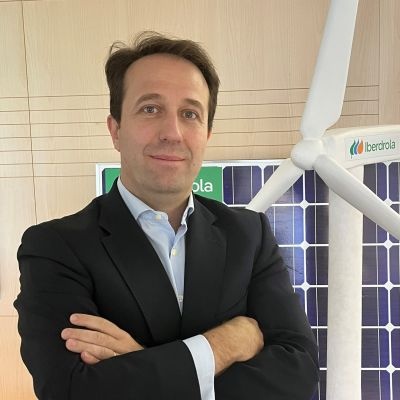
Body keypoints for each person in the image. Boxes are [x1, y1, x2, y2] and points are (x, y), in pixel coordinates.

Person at [14, 32, 319, 400]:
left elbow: (298, 372)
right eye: (150, 109)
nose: (172, 133)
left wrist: (141, 363)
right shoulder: (56, 247)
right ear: (115, 129)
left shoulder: (248, 235)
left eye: (190, 114)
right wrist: (223, 345)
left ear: (207, 133)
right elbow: (70, 390)